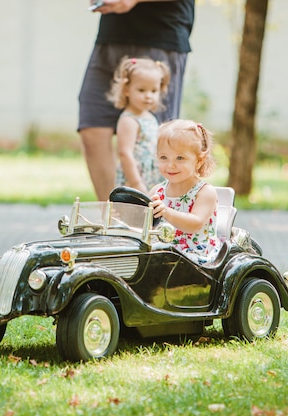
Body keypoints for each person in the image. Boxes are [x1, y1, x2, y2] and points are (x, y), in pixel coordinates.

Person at [79, 0, 196, 201]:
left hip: (161, 34)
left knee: (159, 141)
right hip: (112, 34)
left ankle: (154, 218)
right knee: (92, 128)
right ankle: (113, 217)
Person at [149, 119, 221, 264]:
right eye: (164, 157)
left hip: (195, 254)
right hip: (164, 251)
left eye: (180, 158)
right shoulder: (158, 190)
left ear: (199, 160)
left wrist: (166, 212)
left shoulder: (205, 192)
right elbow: (142, 222)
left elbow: (194, 224)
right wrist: (124, 214)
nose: (171, 165)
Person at [106, 56, 170, 192]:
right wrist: (136, 183)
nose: (148, 96)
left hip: (152, 175)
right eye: (141, 90)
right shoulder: (129, 120)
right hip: (135, 176)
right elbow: (125, 153)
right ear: (127, 90)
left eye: (154, 91)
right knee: (134, 210)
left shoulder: (150, 117)